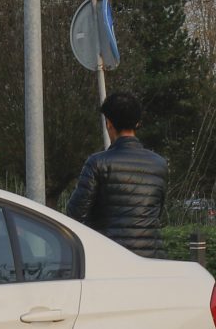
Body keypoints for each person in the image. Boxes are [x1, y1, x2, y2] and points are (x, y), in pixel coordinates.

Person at [64, 91, 168, 258]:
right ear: (138, 123)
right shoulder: (159, 164)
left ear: (109, 123)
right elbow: (156, 212)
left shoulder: (97, 163)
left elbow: (74, 214)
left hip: (111, 259)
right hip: (152, 260)